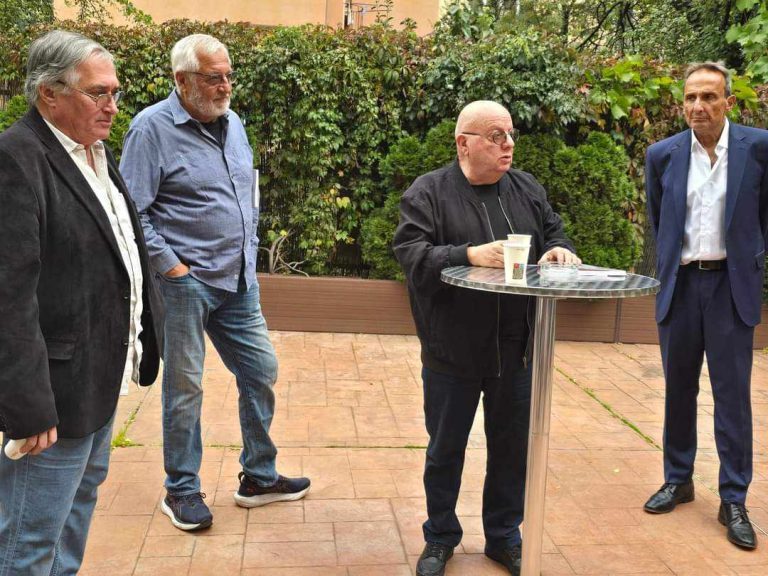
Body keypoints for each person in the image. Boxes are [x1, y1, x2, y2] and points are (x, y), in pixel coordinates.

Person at [120, 34, 309, 532]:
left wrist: (249, 245)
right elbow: (131, 211)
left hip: (238, 279)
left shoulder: (234, 122)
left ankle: (258, 477)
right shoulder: (150, 129)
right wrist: (172, 267)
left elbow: (245, 191)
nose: (225, 86)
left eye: (228, 76)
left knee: (261, 371)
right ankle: (181, 489)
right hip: (186, 284)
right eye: (213, 78)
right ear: (181, 80)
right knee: (185, 388)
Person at [393, 100, 579, 576]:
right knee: (445, 450)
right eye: (496, 136)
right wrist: (468, 254)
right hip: (451, 350)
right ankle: (440, 537)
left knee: (511, 450)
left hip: (517, 350)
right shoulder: (428, 192)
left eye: (510, 134)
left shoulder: (526, 188)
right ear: (464, 143)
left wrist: (559, 250)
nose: (508, 144)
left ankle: (504, 537)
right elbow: (411, 254)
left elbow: (555, 232)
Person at [0, 30, 162, 574]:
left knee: (73, 522)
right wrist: (27, 406)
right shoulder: (16, 161)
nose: (112, 106)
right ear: (49, 93)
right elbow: (8, 298)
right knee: (29, 543)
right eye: (98, 93)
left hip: (99, 379)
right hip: (54, 400)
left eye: (114, 92)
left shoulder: (92, 151)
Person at [643, 61, 768, 550]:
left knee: (732, 396)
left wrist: (749, 258)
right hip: (681, 286)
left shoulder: (758, 148)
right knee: (678, 388)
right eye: (691, 97)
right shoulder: (663, 155)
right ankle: (678, 479)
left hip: (730, 287)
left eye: (709, 97)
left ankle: (733, 497)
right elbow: (661, 220)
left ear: (728, 102)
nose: (698, 106)